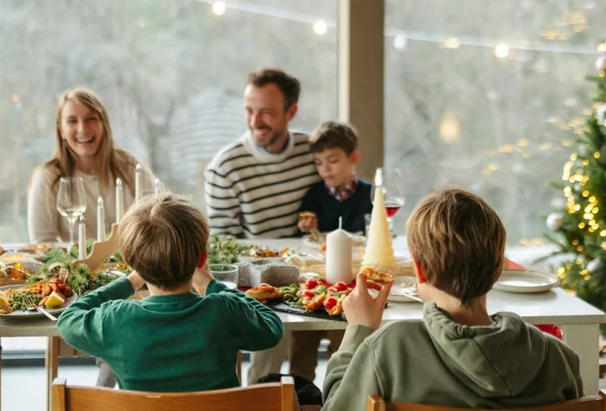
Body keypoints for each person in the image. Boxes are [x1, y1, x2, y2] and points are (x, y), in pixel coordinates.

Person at [322, 187, 584, 410]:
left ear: (419, 269)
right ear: (497, 268)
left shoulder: (389, 350)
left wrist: (358, 331)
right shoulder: (559, 359)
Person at [56, 192, 285, 392]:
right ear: (202, 259)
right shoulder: (223, 310)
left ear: (132, 262)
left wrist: (129, 283)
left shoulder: (116, 320)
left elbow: (67, 318)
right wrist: (212, 285)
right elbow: (273, 327)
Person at [204, 68, 320, 382]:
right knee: (265, 368)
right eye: (249, 111)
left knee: (306, 369)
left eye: (266, 113)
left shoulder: (314, 153)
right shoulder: (225, 167)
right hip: (258, 283)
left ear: (291, 112)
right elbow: (223, 248)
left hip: (313, 276)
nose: (255, 122)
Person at [290, 120, 373, 381]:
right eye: (318, 162)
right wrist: (306, 227)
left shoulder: (370, 195)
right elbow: (302, 239)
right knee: (302, 340)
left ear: (353, 158)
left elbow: (376, 234)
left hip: (351, 281)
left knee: (345, 344)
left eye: (333, 160)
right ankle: (300, 394)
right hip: (316, 277)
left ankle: (341, 391)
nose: (324, 169)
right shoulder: (314, 196)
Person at [28, 87, 155, 244]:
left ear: (104, 123)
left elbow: (161, 212)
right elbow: (42, 242)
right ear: (61, 130)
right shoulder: (48, 177)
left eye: (91, 119)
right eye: (72, 121)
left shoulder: (129, 165)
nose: (83, 129)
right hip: (78, 267)